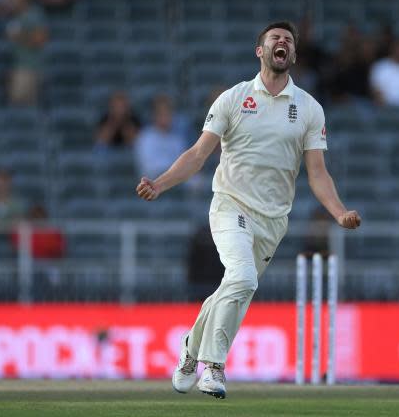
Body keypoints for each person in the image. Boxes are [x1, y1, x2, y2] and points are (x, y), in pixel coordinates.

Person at [136, 21, 360, 399]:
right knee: (243, 278)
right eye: (275, 38)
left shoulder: (308, 108)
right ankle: (214, 367)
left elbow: (318, 173)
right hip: (230, 204)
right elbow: (198, 154)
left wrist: (338, 212)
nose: (282, 43)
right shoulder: (234, 98)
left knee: (236, 288)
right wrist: (160, 183)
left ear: (293, 54)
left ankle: (190, 351)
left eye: (288, 40)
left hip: (273, 220)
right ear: (260, 50)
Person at [5, 0, 48, 106]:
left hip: (30, 68)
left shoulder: (34, 14)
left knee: (25, 106)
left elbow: (41, 39)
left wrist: (19, 36)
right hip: (18, 66)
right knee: (16, 106)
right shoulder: (15, 15)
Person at [134, 94, 188, 178]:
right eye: (161, 114)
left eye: (168, 113)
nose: (165, 117)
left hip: (176, 181)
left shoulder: (177, 138)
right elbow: (148, 168)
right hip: (153, 183)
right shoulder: (145, 137)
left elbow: (183, 164)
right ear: (154, 115)